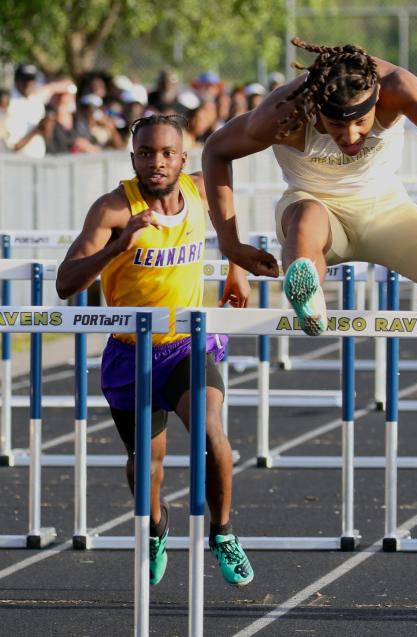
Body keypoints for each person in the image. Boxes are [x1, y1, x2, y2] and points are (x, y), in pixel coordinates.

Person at [54, 114, 255, 587]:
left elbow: (228, 217)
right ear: (133, 158)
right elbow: (66, 283)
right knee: (147, 464)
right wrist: (119, 246)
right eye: (146, 153)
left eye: (167, 153)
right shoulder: (113, 209)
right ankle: (157, 527)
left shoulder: (201, 188)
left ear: (183, 158)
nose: (156, 162)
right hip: (132, 351)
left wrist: (236, 269)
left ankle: (222, 533)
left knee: (211, 435)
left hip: (188, 343)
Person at [202, 40, 417, 335]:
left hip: (388, 212)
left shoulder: (396, 87)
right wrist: (230, 244)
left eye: (361, 123)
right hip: (313, 207)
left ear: (378, 99)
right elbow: (216, 150)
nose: (350, 136)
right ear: (315, 110)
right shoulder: (283, 114)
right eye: (336, 125)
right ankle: (307, 294)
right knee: (309, 216)